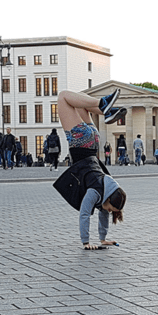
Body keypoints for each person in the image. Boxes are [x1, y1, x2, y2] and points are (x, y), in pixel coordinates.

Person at [51, 89, 127, 250]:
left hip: (94, 140)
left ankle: (107, 111)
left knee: (79, 101)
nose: (106, 212)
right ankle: (102, 104)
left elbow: (104, 214)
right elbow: (84, 214)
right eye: (110, 209)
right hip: (81, 141)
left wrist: (103, 239)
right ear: (108, 200)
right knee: (63, 96)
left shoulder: (109, 186)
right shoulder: (95, 192)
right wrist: (86, 242)